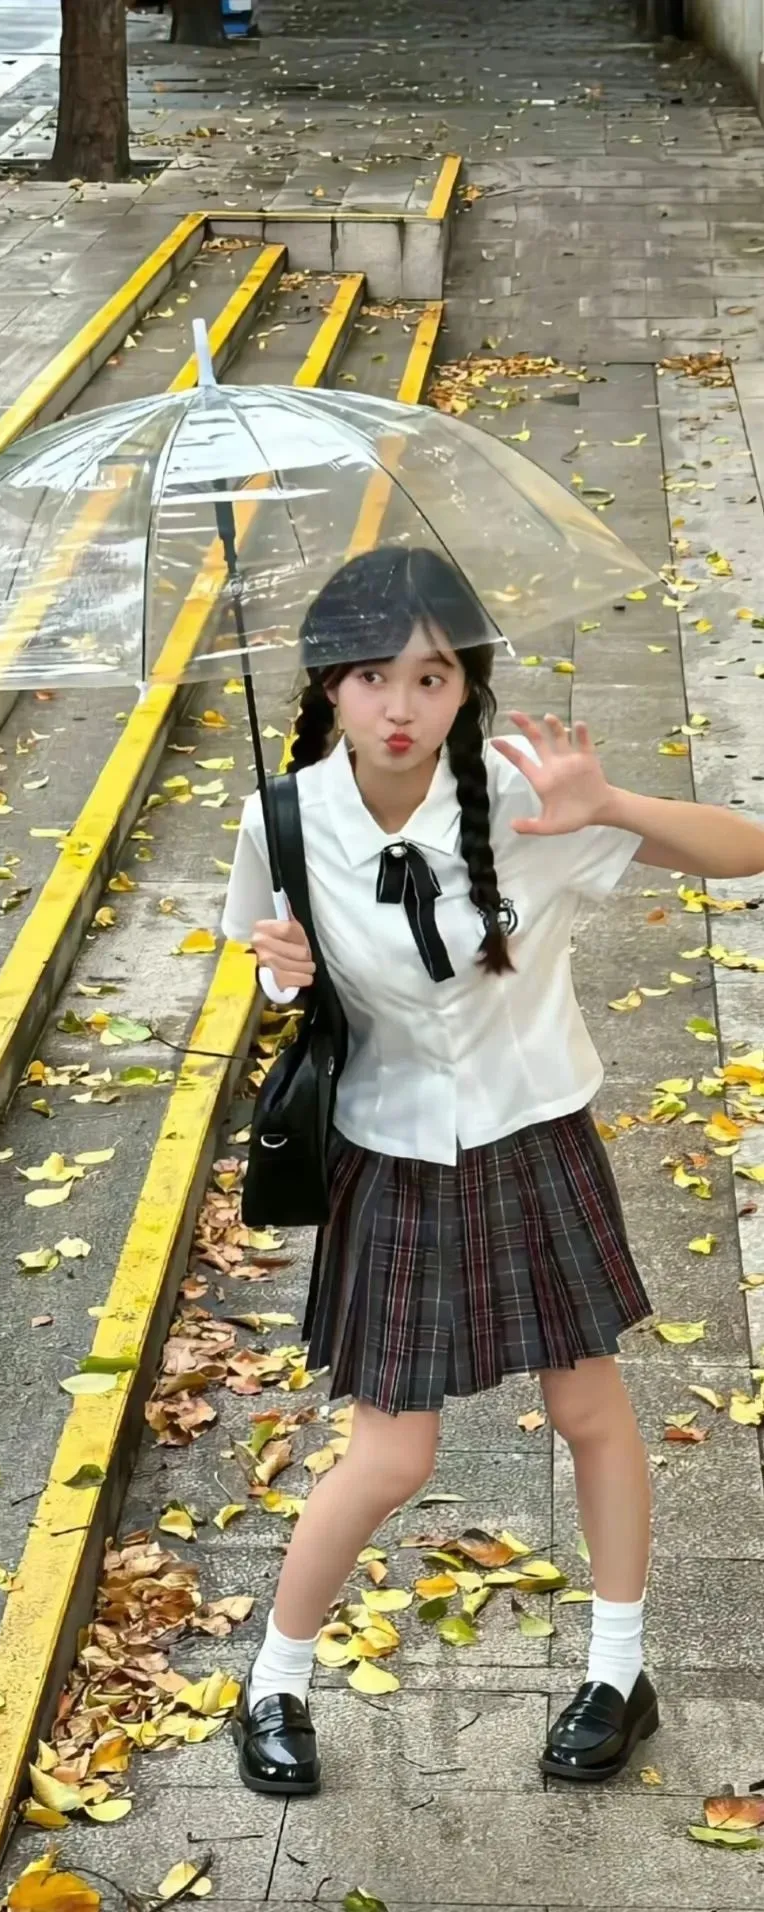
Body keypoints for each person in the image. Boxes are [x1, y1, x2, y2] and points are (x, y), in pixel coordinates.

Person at [220, 543, 764, 1798]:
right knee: (388, 1455)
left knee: (588, 1410)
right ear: (328, 683)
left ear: (464, 684)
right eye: (371, 677)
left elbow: (744, 849)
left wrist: (612, 804)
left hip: (532, 1138)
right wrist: (277, 972)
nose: (398, 707)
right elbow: (265, 958)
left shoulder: (525, 796)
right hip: (390, 1151)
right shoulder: (281, 817)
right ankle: (273, 1683)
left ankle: (618, 1674)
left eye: (430, 677)